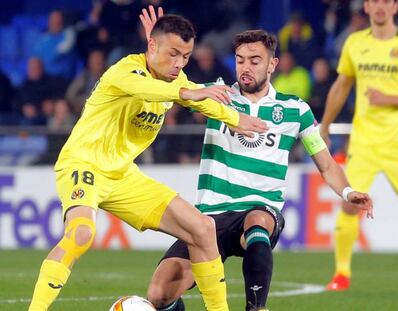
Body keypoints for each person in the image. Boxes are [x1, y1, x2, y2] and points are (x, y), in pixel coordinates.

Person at [28, 13, 269, 311]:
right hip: (83, 164)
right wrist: (187, 90)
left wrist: (235, 119)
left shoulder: (173, 77)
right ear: (151, 46)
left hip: (123, 176)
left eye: (186, 56)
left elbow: (198, 100)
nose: (179, 63)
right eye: (173, 54)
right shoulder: (124, 71)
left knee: (203, 229)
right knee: (81, 233)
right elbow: (149, 89)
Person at [140, 10, 373, 311]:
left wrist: (348, 192)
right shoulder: (217, 95)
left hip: (258, 208)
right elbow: (168, 84)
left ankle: (256, 308)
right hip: (209, 218)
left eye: (254, 60)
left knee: (258, 221)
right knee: (159, 294)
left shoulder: (295, 110)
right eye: (239, 60)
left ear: (272, 64)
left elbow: (326, 164)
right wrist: (153, 47)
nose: (245, 68)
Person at [320, 0, 398, 291]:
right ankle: (342, 274)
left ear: (396, 7)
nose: (380, 6)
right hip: (364, 142)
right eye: (374, 1)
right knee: (350, 202)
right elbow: (341, 85)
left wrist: (388, 99)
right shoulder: (355, 42)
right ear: (367, 8)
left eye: (387, 1)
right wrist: (324, 126)